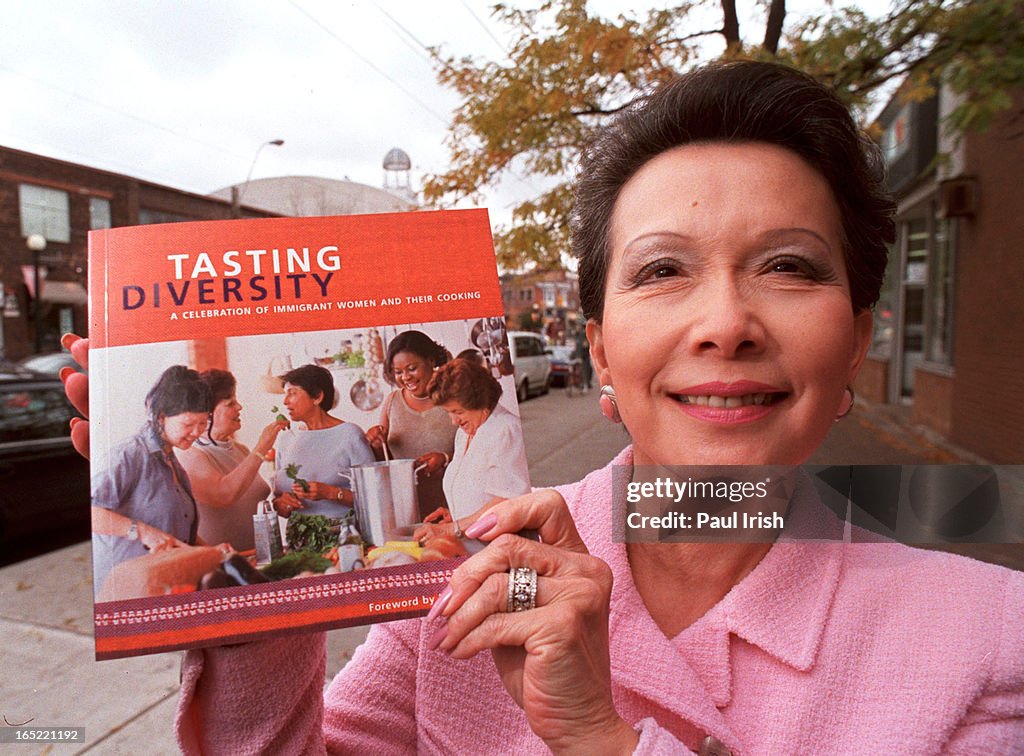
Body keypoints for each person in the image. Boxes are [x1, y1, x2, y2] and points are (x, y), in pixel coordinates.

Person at [64, 61, 1023, 753]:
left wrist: (602, 741)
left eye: (788, 266)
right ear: (601, 348)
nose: (726, 322)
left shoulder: (985, 640)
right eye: (663, 271)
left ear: (856, 339)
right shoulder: (472, 562)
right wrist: (260, 630)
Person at [90, 365, 213, 595]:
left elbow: (176, 534)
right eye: (188, 424)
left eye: (203, 424)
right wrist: (142, 532)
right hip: (127, 592)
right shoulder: (129, 455)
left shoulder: (173, 462)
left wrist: (215, 554)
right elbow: (91, 512)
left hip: (164, 587)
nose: (197, 432)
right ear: (161, 417)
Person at [412, 359, 530, 542]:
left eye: (458, 412)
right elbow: (478, 492)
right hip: (472, 544)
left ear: (480, 401)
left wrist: (454, 528)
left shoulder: (505, 429)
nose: (453, 421)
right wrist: (456, 515)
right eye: (448, 413)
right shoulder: (464, 434)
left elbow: (509, 500)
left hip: (502, 547)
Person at [176, 369, 287, 551]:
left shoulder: (240, 449)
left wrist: (278, 505)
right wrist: (262, 447)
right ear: (208, 414)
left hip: (257, 558)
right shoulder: (190, 454)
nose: (239, 407)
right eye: (230, 403)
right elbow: (224, 495)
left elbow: (247, 506)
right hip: (221, 567)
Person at [364, 330, 456, 519]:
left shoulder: (453, 397)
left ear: (431, 361)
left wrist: (445, 458)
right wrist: (375, 444)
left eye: (412, 368)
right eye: (398, 372)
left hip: (453, 505)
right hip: (407, 508)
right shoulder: (392, 402)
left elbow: (478, 449)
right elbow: (386, 461)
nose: (406, 377)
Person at [271, 364, 374, 520]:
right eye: (285, 394)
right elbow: (277, 500)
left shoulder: (350, 434)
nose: (285, 401)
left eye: (292, 393)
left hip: (345, 537)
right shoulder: (286, 439)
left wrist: (330, 493)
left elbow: (374, 499)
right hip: (299, 540)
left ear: (317, 397)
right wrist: (280, 504)